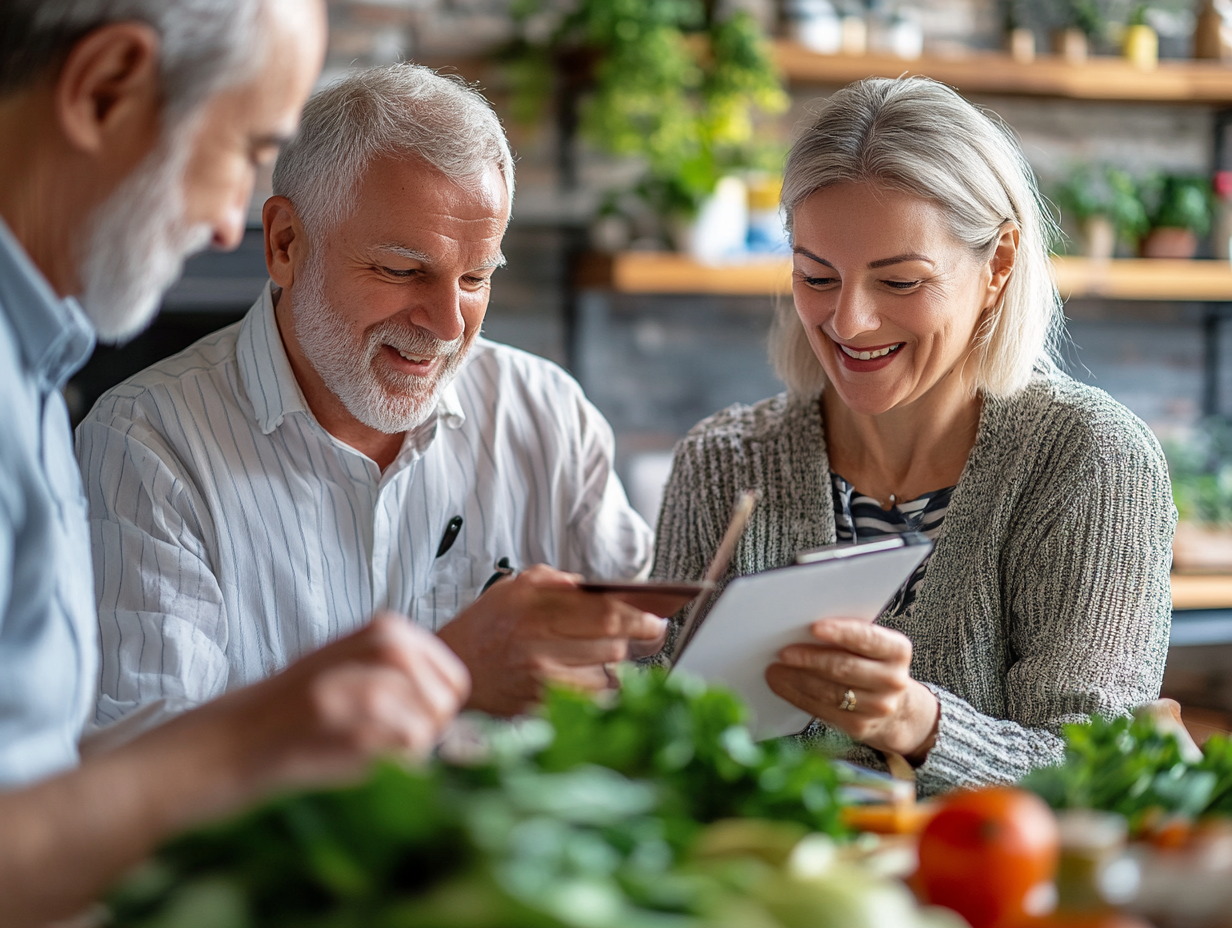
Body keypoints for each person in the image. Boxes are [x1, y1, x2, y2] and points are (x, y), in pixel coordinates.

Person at [0, 4, 473, 924]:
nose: (229, 227)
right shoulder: (130, 423)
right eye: (242, 148)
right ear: (105, 90)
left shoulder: (37, 365)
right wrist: (253, 741)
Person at [76, 62, 661, 741]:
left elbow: (649, 660)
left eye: (475, 278)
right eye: (403, 270)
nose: (447, 326)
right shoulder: (146, 446)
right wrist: (455, 675)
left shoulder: (547, 412)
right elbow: (147, 770)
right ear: (285, 244)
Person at [651, 77, 1175, 796]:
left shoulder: (1088, 460)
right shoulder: (721, 460)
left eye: (899, 283)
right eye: (816, 276)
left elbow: (1100, 777)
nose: (849, 322)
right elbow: (662, 736)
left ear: (997, 265)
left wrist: (918, 722)